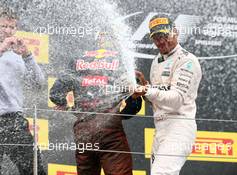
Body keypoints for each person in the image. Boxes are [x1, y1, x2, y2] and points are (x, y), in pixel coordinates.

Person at [49, 32, 142, 175]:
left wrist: (71, 108)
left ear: (97, 41)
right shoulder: (121, 61)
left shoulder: (78, 60)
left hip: (83, 131)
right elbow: (131, 110)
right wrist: (122, 110)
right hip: (110, 131)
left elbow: (55, 94)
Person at [134, 14, 202, 175]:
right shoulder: (156, 61)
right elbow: (158, 100)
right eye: (157, 37)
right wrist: (145, 87)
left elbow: (176, 100)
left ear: (175, 32)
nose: (161, 41)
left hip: (179, 127)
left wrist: (148, 91)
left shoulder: (187, 60)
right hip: (160, 130)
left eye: (165, 35)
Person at [0, 6, 46, 175]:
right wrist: (1, 49)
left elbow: (39, 84)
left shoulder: (18, 55)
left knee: (35, 170)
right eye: (3, 26)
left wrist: (27, 56)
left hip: (13, 121)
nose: (7, 30)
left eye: (11, 27)